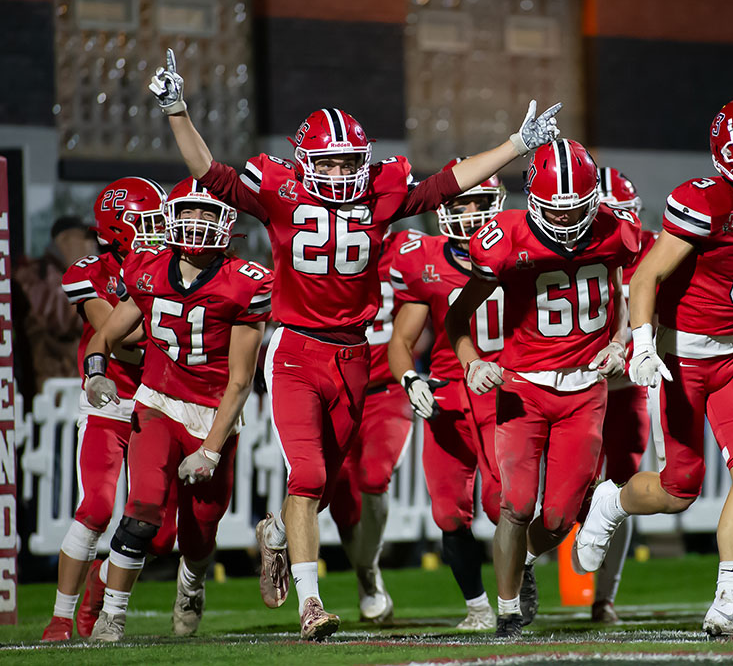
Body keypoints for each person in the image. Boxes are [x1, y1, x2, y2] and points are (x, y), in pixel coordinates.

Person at [148, 49, 562, 639]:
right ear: (305, 162)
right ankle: (311, 607)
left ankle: (278, 533)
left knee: (322, 487)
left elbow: (449, 182)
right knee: (309, 477)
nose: (342, 174)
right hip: (294, 348)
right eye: (332, 163)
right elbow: (210, 171)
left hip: (353, 355)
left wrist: (515, 144)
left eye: (350, 163)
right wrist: (178, 112)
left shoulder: (384, 191)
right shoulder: (279, 188)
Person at [573, 96, 733, 638]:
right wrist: (641, 344)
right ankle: (611, 500)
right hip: (681, 355)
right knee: (678, 489)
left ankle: (727, 601)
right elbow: (645, 278)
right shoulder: (703, 202)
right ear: (729, 153)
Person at [445, 139, 641, 637]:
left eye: (578, 208)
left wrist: (621, 343)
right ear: (532, 199)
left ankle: (527, 559)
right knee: (515, 504)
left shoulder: (618, 232)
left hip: (585, 389)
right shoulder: (503, 239)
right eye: (557, 209)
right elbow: (457, 318)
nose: (569, 220)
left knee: (559, 516)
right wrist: (471, 363)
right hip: (523, 387)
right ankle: (507, 609)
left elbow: (635, 296)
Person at [85, 179, 272, 642]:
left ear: (227, 222)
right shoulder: (146, 267)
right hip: (158, 403)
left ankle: (191, 585)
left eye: (209, 214)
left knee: (200, 533)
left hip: (214, 414)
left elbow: (241, 380)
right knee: (142, 507)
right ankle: (113, 614)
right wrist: (95, 372)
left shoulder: (245, 282)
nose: (198, 223)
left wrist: (210, 450)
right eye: (190, 211)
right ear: (172, 214)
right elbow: (105, 335)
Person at [40, 177, 178, 641]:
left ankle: (100, 584)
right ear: (119, 228)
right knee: (97, 506)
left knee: (158, 534)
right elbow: (121, 336)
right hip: (111, 401)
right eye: (149, 223)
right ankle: (61, 616)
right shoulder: (88, 273)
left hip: (159, 404)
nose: (159, 231)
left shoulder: (174, 265)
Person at [387, 161, 506, 630]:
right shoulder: (424, 259)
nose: (472, 212)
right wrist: (410, 380)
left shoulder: (520, 250)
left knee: (505, 504)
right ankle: (477, 606)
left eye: (480, 201)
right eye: (461, 202)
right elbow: (401, 341)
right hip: (448, 392)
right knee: (447, 509)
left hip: (505, 387)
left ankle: (521, 575)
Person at [326, 226, 420, 623]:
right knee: (342, 494)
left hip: (386, 387)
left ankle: (367, 571)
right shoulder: (322, 247)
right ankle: (368, 576)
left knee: (375, 474)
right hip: (336, 389)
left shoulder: (407, 251)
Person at [590, 167, 656, 624]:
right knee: (568, 493)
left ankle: (604, 597)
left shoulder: (653, 249)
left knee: (620, 491)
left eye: (624, 215)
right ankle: (528, 569)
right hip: (576, 387)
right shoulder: (567, 245)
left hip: (629, 387)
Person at [13, 215, 99, 405]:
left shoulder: (77, 277)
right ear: (64, 241)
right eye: (84, 240)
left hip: (79, 391)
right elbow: (59, 321)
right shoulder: (36, 275)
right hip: (50, 396)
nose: (91, 248)